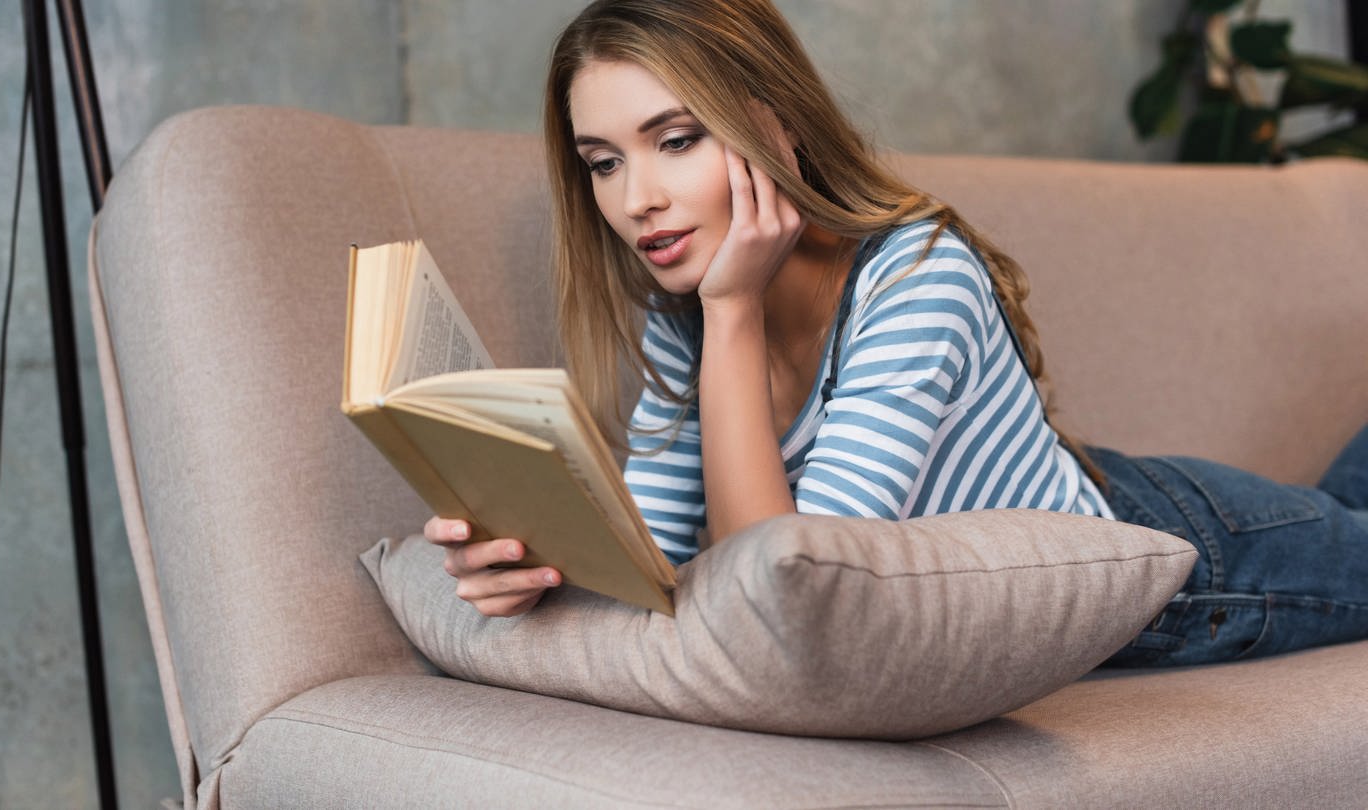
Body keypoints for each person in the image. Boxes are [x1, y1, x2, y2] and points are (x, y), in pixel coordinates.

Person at [424, 0, 1368, 666]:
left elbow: (786, 595)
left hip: (1163, 556)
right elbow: (662, 559)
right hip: (1072, 481)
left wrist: (734, 312)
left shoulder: (917, 275)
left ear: (773, 126)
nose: (637, 200)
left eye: (677, 141)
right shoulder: (687, 309)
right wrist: (535, 571)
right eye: (602, 162)